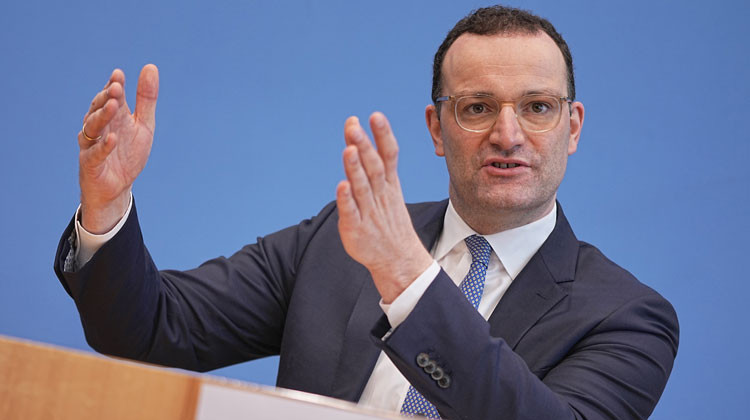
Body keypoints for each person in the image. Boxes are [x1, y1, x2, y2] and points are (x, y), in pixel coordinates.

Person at [54, 5, 678, 420]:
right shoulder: (340, 239)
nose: (508, 134)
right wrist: (107, 205)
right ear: (436, 129)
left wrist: (409, 280)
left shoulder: (628, 318)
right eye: (478, 107)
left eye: (537, 107)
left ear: (573, 127)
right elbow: (148, 329)